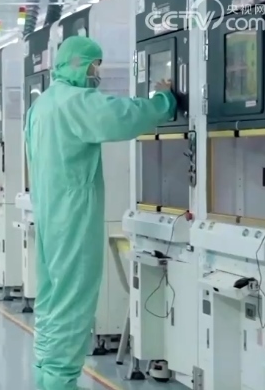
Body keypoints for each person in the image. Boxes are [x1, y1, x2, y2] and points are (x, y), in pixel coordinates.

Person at [25, 36, 180, 390]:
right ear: (79, 64)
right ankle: (60, 381)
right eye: (95, 65)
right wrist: (162, 100)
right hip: (73, 216)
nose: (98, 73)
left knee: (51, 298)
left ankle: (46, 374)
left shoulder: (42, 105)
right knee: (74, 301)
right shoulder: (76, 101)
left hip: (49, 213)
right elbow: (123, 117)